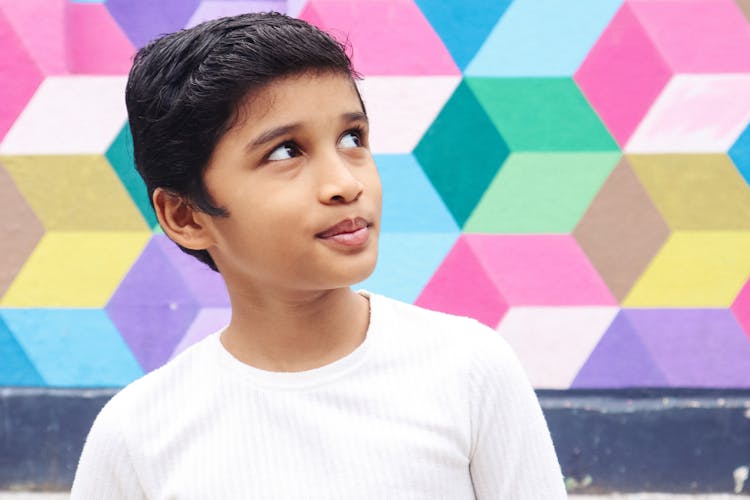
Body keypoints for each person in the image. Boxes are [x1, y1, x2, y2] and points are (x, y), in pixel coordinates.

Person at [71, 12, 566, 499]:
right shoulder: (137, 436)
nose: (345, 184)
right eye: (286, 151)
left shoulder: (469, 369)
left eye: (353, 139)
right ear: (186, 216)